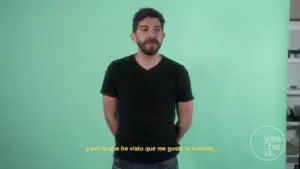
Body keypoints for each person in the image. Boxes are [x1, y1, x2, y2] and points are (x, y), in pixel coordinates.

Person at [100, 7, 194, 169]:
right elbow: (109, 114)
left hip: (165, 161)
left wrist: (167, 143)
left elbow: (185, 120)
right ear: (133, 36)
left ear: (163, 36)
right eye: (145, 29)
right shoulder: (117, 69)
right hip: (125, 160)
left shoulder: (177, 72)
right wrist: (127, 142)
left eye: (157, 30)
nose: (152, 35)